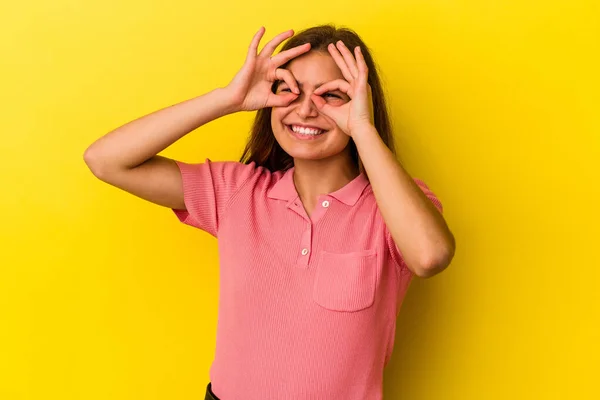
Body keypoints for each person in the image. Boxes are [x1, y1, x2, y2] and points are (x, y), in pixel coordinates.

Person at [84, 24, 455, 400]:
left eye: (333, 95)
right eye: (289, 91)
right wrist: (228, 98)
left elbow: (430, 256)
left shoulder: (393, 206)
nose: (307, 109)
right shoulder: (236, 192)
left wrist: (362, 127)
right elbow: (105, 160)